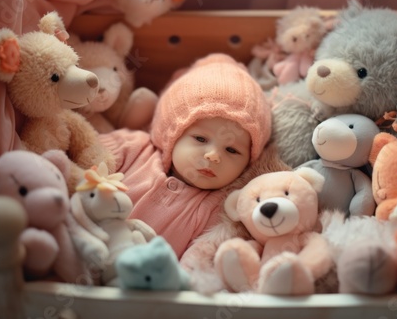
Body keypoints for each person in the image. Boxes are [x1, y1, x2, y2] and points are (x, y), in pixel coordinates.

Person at [99, 53, 272, 258]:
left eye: (232, 150)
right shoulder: (133, 148)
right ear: (171, 133)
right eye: (200, 139)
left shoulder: (219, 210)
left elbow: (197, 263)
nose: (213, 155)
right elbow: (80, 159)